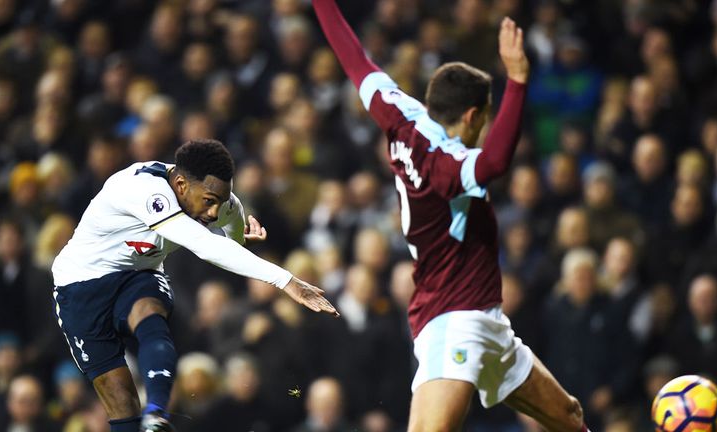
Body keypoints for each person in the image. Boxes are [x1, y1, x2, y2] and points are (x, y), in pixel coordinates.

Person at [311, 1, 589, 430]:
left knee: (569, 416)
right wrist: (517, 82)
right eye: (487, 116)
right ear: (473, 116)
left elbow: (355, 59)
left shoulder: (401, 115)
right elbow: (494, 162)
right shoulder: (448, 165)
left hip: (489, 320)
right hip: (453, 318)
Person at [51, 139, 339, 432]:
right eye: (209, 201)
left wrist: (239, 242)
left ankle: (156, 415)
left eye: (220, 202)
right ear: (180, 185)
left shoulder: (218, 200)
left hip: (138, 274)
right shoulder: (145, 191)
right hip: (80, 283)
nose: (214, 212)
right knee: (119, 397)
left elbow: (231, 237)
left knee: (149, 311)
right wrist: (286, 280)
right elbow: (206, 246)